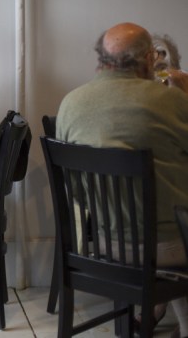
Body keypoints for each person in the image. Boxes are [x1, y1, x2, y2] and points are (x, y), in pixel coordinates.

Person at [57, 22, 188, 338]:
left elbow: (74, 190)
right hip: (168, 248)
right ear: (148, 59)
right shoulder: (171, 101)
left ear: (101, 59)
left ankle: (152, 314)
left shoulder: (70, 104)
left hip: (101, 245)